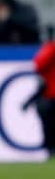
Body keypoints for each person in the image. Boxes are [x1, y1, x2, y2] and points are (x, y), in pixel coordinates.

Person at [27, 28, 55, 157]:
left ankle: (50, 149)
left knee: (49, 125)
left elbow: (39, 64)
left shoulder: (51, 48)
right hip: (49, 94)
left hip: (51, 94)